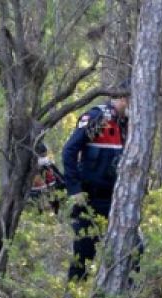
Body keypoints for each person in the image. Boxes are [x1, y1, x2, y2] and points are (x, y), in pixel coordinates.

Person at [61, 82, 130, 280]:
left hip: (116, 200)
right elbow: (69, 151)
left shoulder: (124, 124)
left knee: (131, 251)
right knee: (84, 255)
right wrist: (74, 189)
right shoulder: (97, 118)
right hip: (90, 200)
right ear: (124, 98)